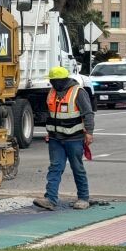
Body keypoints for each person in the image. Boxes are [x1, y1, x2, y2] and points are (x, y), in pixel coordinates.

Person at [35, 66, 95, 211]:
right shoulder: (52, 93)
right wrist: (50, 131)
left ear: (62, 80)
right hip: (56, 139)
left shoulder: (78, 92)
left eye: (54, 81)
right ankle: (50, 199)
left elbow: (88, 113)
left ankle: (83, 198)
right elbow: (51, 115)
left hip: (74, 138)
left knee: (77, 168)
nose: (51, 83)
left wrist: (89, 132)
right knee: (55, 167)